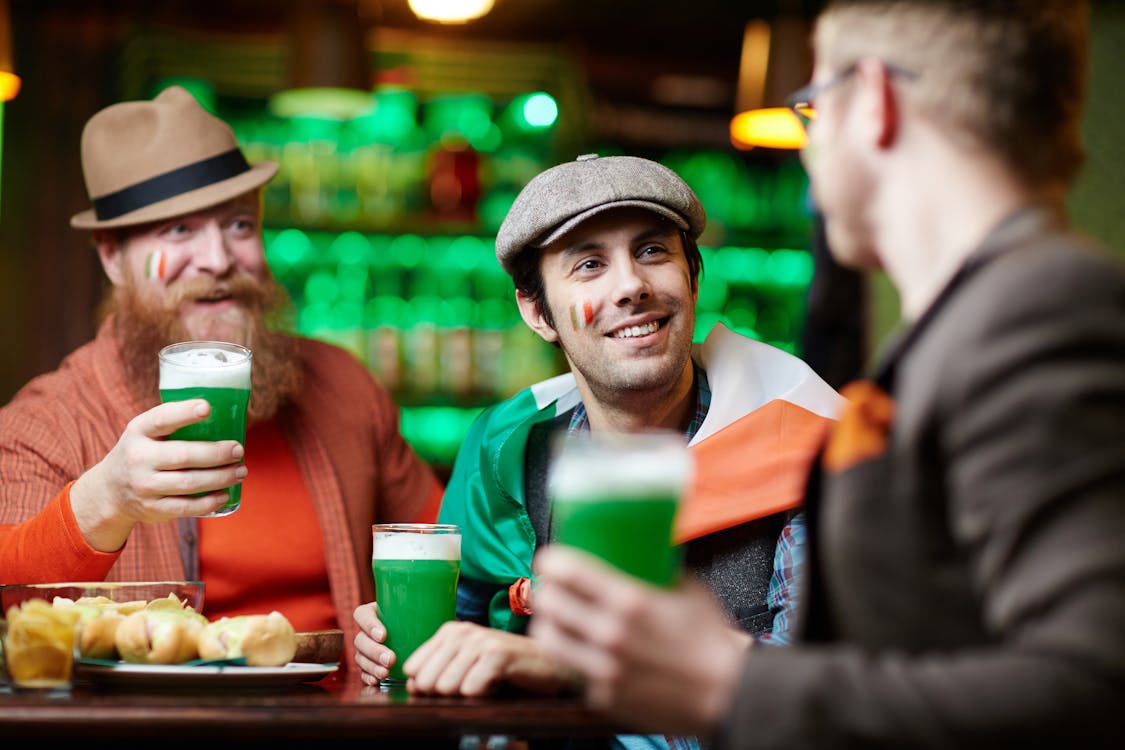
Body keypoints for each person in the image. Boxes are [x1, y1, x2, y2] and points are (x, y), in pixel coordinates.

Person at [528, 1, 1125, 747]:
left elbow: (1095, 686)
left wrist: (724, 683)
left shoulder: (1038, 314)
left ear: (872, 103)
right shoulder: (970, 325)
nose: (807, 151)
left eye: (811, 110)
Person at [353, 155, 843, 730]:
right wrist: (409, 650)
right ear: (537, 312)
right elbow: (459, 647)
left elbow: (815, 704)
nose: (631, 285)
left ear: (694, 275)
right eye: (589, 264)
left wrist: (566, 666)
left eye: (653, 251)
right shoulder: (505, 452)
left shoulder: (808, 439)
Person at [0, 86, 443, 666]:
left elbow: (447, 550)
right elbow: (12, 616)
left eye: (237, 224)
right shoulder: (46, 423)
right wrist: (105, 500)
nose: (217, 259)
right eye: (178, 231)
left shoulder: (342, 386)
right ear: (111, 256)